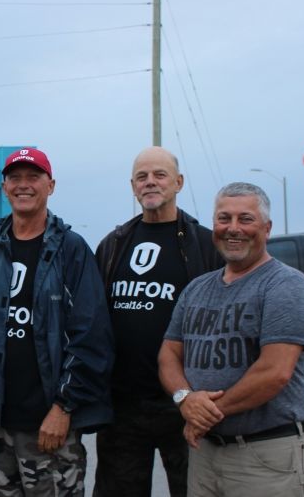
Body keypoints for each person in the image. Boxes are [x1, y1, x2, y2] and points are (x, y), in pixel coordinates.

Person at [0, 147, 112, 496]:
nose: (24, 185)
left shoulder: (71, 250)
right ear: (4, 187)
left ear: (51, 185)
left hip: (49, 426)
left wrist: (64, 408)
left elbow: (91, 338)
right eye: (15, 178)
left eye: (34, 177)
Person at [158, 182, 304, 496]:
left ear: (266, 227)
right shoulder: (197, 288)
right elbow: (169, 353)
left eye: (245, 219)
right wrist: (185, 399)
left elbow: (274, 372)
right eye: (224, 219)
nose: (233, 228)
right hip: (204, 453)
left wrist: (203, 414)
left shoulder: (285, 286)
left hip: (263, 456)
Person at [93, 146, 222, 497]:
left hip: (184, 403)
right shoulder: (114, 244)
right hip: (123, 406)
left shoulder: (205, 245)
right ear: (133, 187)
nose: (150, 182)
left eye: (159, 175)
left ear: (178, 182)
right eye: (142, 177)